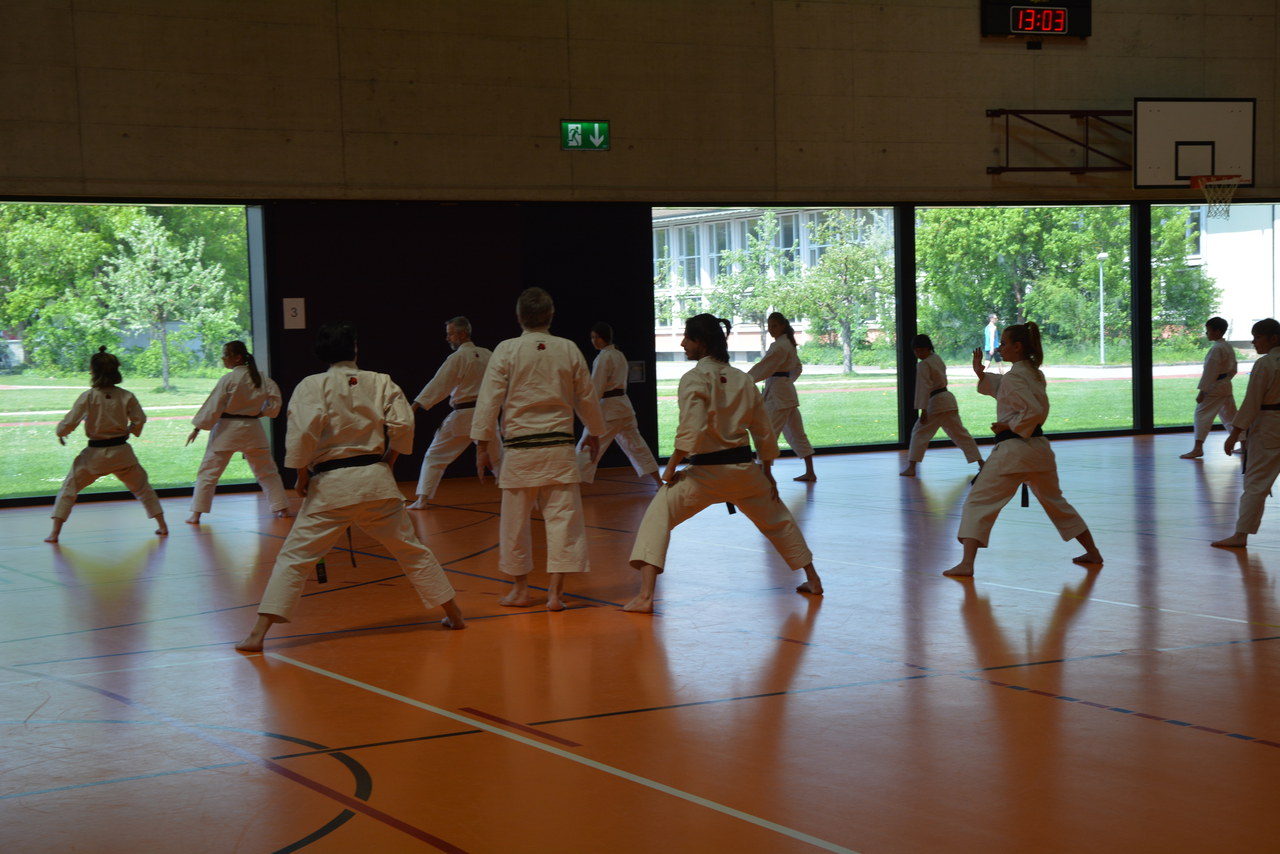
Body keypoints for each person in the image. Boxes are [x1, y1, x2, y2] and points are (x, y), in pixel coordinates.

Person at [236, 321, 464, 652]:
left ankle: (258, 634)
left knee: (295, 558)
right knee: (410, 550)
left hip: (331, 487)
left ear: (321, 351)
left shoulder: (312, 385)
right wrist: (389, 460)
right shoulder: (381, 381)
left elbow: (302, 433)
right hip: (376, 482)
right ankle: (454, 613)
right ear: (354, 348)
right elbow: (403, 423)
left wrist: (301, 475)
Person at [624, 314, 823, 613]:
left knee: (658, 515)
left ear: (702, 342)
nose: (682, 343)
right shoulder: (743, 379)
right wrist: (767, 472)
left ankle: (645, 597)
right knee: (779, 520)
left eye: (687, 338)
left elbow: (691, 427)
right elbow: (763, 430)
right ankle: (814, 580)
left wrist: (671, 467)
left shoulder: (694, 378)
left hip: (703, 475)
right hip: (744, 472)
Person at [471, 287, 605, 611]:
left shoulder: (507, 349)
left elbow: (489, 400)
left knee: (514, 524)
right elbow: (586, 396)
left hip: (520, 451)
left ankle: (520, 591)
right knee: (564, 520)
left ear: (519, 317)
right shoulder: (567, 348)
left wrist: (482, 445)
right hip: (559, 448)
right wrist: (595, 431)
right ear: (551, 314)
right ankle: (555, 594)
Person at [943, 321, 1102, 577]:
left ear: (1017, 347)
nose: (999, 348)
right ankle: (1092, 552)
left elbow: (1034, 410)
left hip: (1014, 452)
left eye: (1004, 343)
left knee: (978, 502)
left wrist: (1008, 425)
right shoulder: (1033, 373)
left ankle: (967, 564)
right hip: (1039, 452)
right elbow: (1009, 391)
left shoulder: (1017, 376)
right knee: (1057, 504)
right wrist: (982, 375)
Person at [46, 347, 168, 543]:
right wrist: (132, 430)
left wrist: (61, 433)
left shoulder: (88, 396)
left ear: (93, 372)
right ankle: (162, 526)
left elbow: (70, 421)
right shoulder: (126, 396)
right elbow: (140, 419)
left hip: (94, 456)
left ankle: (54, 533)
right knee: (143, 488)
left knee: (69, 489)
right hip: (122, 453)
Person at [185, 340, 290, 524]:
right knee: (267, 472)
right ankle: (281, 508)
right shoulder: (262, 379)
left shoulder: (229, 379)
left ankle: (196, 514)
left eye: (226, 355)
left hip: (227, 431)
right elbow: (275, 405)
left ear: (237, 357)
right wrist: (261, 412)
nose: (223, 358)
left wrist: (197, 428)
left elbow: (213, 407)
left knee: (208, 473)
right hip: (253, 430)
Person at [406, 317, 498, 509]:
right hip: (485, 415)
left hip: (462, 415)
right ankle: (521, 495)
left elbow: (439, 384)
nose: (448, 338)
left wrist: (414, 406)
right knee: (499, 458)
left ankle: (422, 499)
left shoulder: (458, 357)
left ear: (462, 334)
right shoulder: (488, 354)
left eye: (450, 334)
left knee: (435, 456)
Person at [1211, 318, 1280, 549]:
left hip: (1269, 428)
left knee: (1256, 483)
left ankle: (1241, 535)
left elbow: (1252, 402)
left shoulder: (1266, 364)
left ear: (1273, 338)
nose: (1254, 342)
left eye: (1258, 337)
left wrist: (1235, 434)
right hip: (1270, 425)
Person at [576, 321, 661, 486]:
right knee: (638, 447)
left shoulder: (603, 357)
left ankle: (570, 488)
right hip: (624, 408)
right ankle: (659, 483)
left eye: (597, 337)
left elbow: (596, 389)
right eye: (592, 337)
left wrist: (588, 412)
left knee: (586, 448)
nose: (594, 341)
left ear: (606, 338)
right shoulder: (619, 355)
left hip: (608, 411)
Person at [746, 312, 817, 482]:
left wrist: (745, 380)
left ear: (783, 326)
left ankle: (764, 473)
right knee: (797, 434)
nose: (771, 329)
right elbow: (797, 367)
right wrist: (787, 380)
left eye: (775, 326)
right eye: (769, 326)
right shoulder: (787, 344)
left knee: (767, 434)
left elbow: (765, 367)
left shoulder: (780, 346)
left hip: (778, 397)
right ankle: (810, 472)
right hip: (786, 394)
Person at [900, 334, 983, 477]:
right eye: (916, 351)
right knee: (960, 434)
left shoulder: (923, 365)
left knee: (919, 433)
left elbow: (923, 388)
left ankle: (912, 467)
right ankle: (981, 462)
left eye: (921, 350)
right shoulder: (936, 359)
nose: (919, 354)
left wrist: (923, 410)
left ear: (928, 349)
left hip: (935, 403)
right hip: (948, 401)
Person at [1180, 316, 1238, 459]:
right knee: (1230, 415)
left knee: (1201, 415)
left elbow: (1210, 372)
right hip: (1225, 386)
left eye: (1208, 330)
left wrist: (1202, 391)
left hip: (1214, 388)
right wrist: (1226, 379)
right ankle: (1245, 443)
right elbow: (1234, 368)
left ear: (1217, 331)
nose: (1207, 333)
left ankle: (1198, 448)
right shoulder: (1227, 346)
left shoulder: (1217, 349)